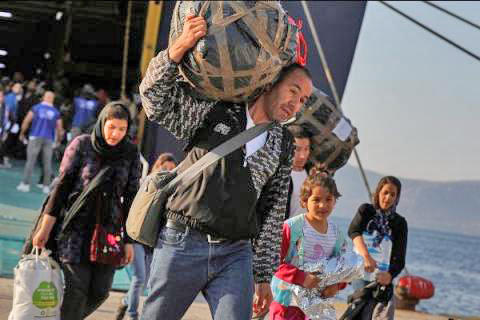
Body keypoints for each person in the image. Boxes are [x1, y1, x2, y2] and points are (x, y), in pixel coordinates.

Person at [138, 14, 313, 320]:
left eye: (304, 101)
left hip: (235, 252)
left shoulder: (283, 143)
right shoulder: (216, 110)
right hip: (182, 241)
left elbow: (272, 213)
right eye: (293, 92)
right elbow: (154, 99)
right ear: (271, 81)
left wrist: (262, 276)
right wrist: (179, 47)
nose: (295, 105)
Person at [32, 101, 141, 320]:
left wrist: (129, 241)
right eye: (111, 127)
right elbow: (61, 189)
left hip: (108, 231)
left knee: (100, 291)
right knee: (77, 289)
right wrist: (44, 229)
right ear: (102, 123)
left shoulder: (130, 153)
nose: (115, 134)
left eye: (121, 129)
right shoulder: (81, 145)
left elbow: (131, 198)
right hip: (75, 229)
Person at [269, 169, 347, 320]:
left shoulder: (337, 236)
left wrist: (337, 286)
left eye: (328, 199)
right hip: (287, 304)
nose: (323, 205)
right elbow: (274, 262)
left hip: (318, 306)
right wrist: (301, 277)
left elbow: (342, 269)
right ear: (304, 201)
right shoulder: (292, 227)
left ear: (335, 201)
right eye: (316, 200)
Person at [116, 152, 178, 320]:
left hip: (154, 241)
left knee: (149, 281)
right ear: (157, 166)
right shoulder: (146, 183)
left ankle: (125, 301)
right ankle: (132, 314)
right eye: (165, 168)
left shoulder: (173, 190)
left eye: (172, 170)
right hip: (136, 238)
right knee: (139, 278)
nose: (168, 172)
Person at [348, 176, 408, 320]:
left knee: (381, 314)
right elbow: (353, 231)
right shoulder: (366, 210)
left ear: (397, 198)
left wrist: (390, 275)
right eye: (385, 192)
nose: (387, 198)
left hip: (382, 277)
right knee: (361, 307)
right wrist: (367, 257)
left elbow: (399, 259)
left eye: (392, 194)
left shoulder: (399, 223)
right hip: (361, 271)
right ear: (378, 192)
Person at [16, 91, 63, 193]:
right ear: (53, 99)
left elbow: (26, 121)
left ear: (43, 97)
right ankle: (46, 186)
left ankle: (25, 184)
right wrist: (58, 141)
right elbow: (60, 129)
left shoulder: (36, 108)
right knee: (47, 163)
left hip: (35, 136)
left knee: (30, 162)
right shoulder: (56, 112)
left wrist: (22, 133)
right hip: (49, 139)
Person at [286, 130, 312, 219]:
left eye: (306, 149)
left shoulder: (312, 176)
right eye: (298, 149)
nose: (302, 156)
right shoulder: (281, 176)